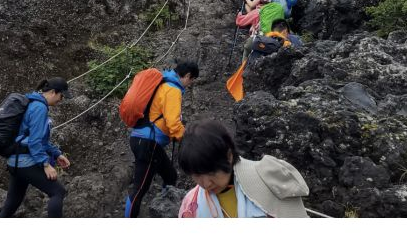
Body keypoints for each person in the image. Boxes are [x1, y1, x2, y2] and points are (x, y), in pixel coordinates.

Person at [178, 120, 309, 218]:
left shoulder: (269, 178)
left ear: (229, 156)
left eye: (212, 172)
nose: (206, 184)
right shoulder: (190, 206)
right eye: (197, 175)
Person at [126, 61, 199, 217]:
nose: (190, 84)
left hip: (140, 138)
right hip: (148, 143)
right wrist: (190, 141)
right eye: (192, 80)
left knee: (169, 175)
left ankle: (161, 209)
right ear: (187, 76)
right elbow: (173, 123)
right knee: (140, 188)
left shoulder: (163, 83)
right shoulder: (173, 90)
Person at [0, 78, 71, 218]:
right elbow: (35, 141)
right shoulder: (39, 108)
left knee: (13, 202)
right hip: (25, 161)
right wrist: (45, 164)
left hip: (14, 161)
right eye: (62, 96)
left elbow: (36, 138)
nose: (61, 100)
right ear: (53, 92)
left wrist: (56, 154)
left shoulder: (31, 101)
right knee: (58, 192)